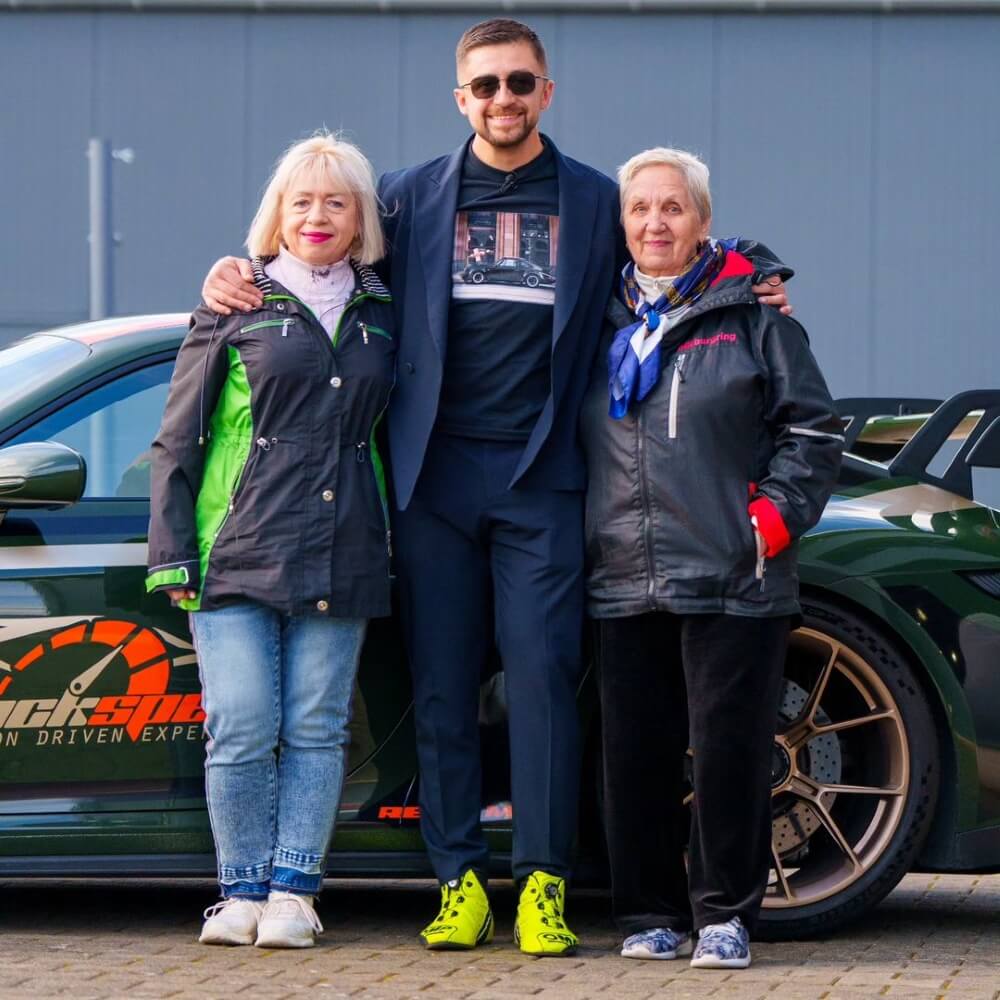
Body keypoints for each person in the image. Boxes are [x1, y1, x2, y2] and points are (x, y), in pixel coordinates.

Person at [199, 18, 790, 957]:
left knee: (546, 683)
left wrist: (755, 270)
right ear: (460, 97)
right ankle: (459, 880)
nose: (503, 100)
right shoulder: (407, 198)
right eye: (485, 86)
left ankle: (543, 884)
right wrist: (234, 270)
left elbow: (672, 243)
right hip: (434, 483)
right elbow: (320, 260)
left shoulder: (595, 200)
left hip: (546, 481)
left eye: (520, 83)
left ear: (545, 93)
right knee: (441, 688)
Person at [580, 147, 843, 969]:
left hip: (733, 573)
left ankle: (727, 915)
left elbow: (812, 430)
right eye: (640, 210)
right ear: (622, 225)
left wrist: (767, 521)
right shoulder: (595, 319)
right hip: (622, 569)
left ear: (702, 221)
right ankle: (651, 911)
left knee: (729, 753)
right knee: (636, 758)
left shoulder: (756, 314)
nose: (655, 223)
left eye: (673, 208)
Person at [146, 133, 395, 949]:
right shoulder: (235, 303)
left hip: (345, 543)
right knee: (244, 725)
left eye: (335, 201)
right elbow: (177, 438)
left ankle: (294, 891)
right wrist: (172, 551)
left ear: (360, 218)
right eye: (302, 201)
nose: (317, 216)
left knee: (318, 726)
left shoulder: (386, 312)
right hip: (237, 550)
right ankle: (241, 890)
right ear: (277, 216)